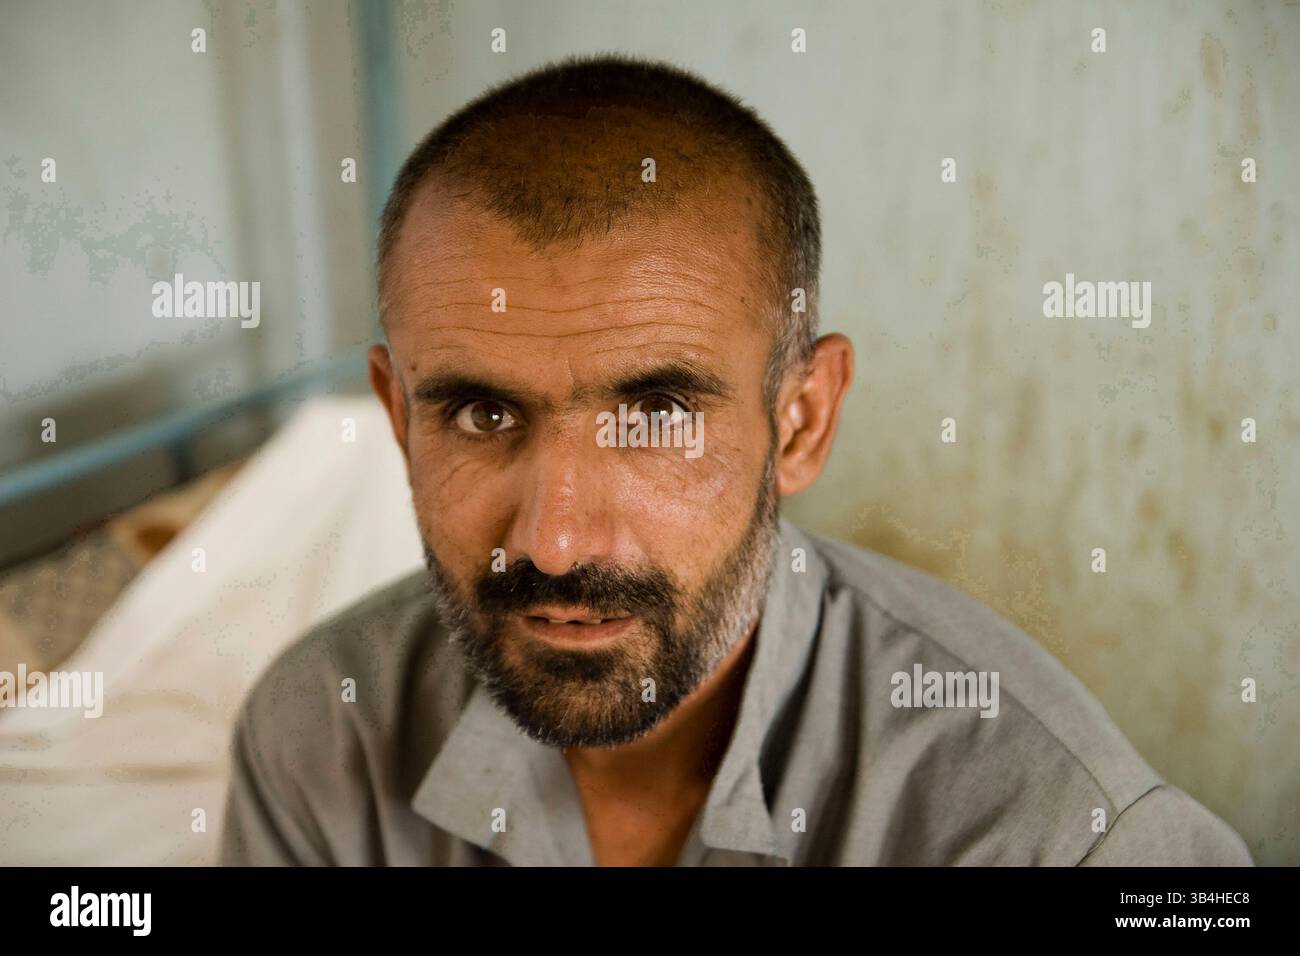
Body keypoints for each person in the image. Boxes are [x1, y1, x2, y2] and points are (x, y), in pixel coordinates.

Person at [220, 54, 1251, 866]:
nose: (556, 537)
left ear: (800, 421)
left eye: (657, 414)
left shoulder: (1059, 833)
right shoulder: (318, 737)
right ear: (399, 418)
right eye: (482, 413)